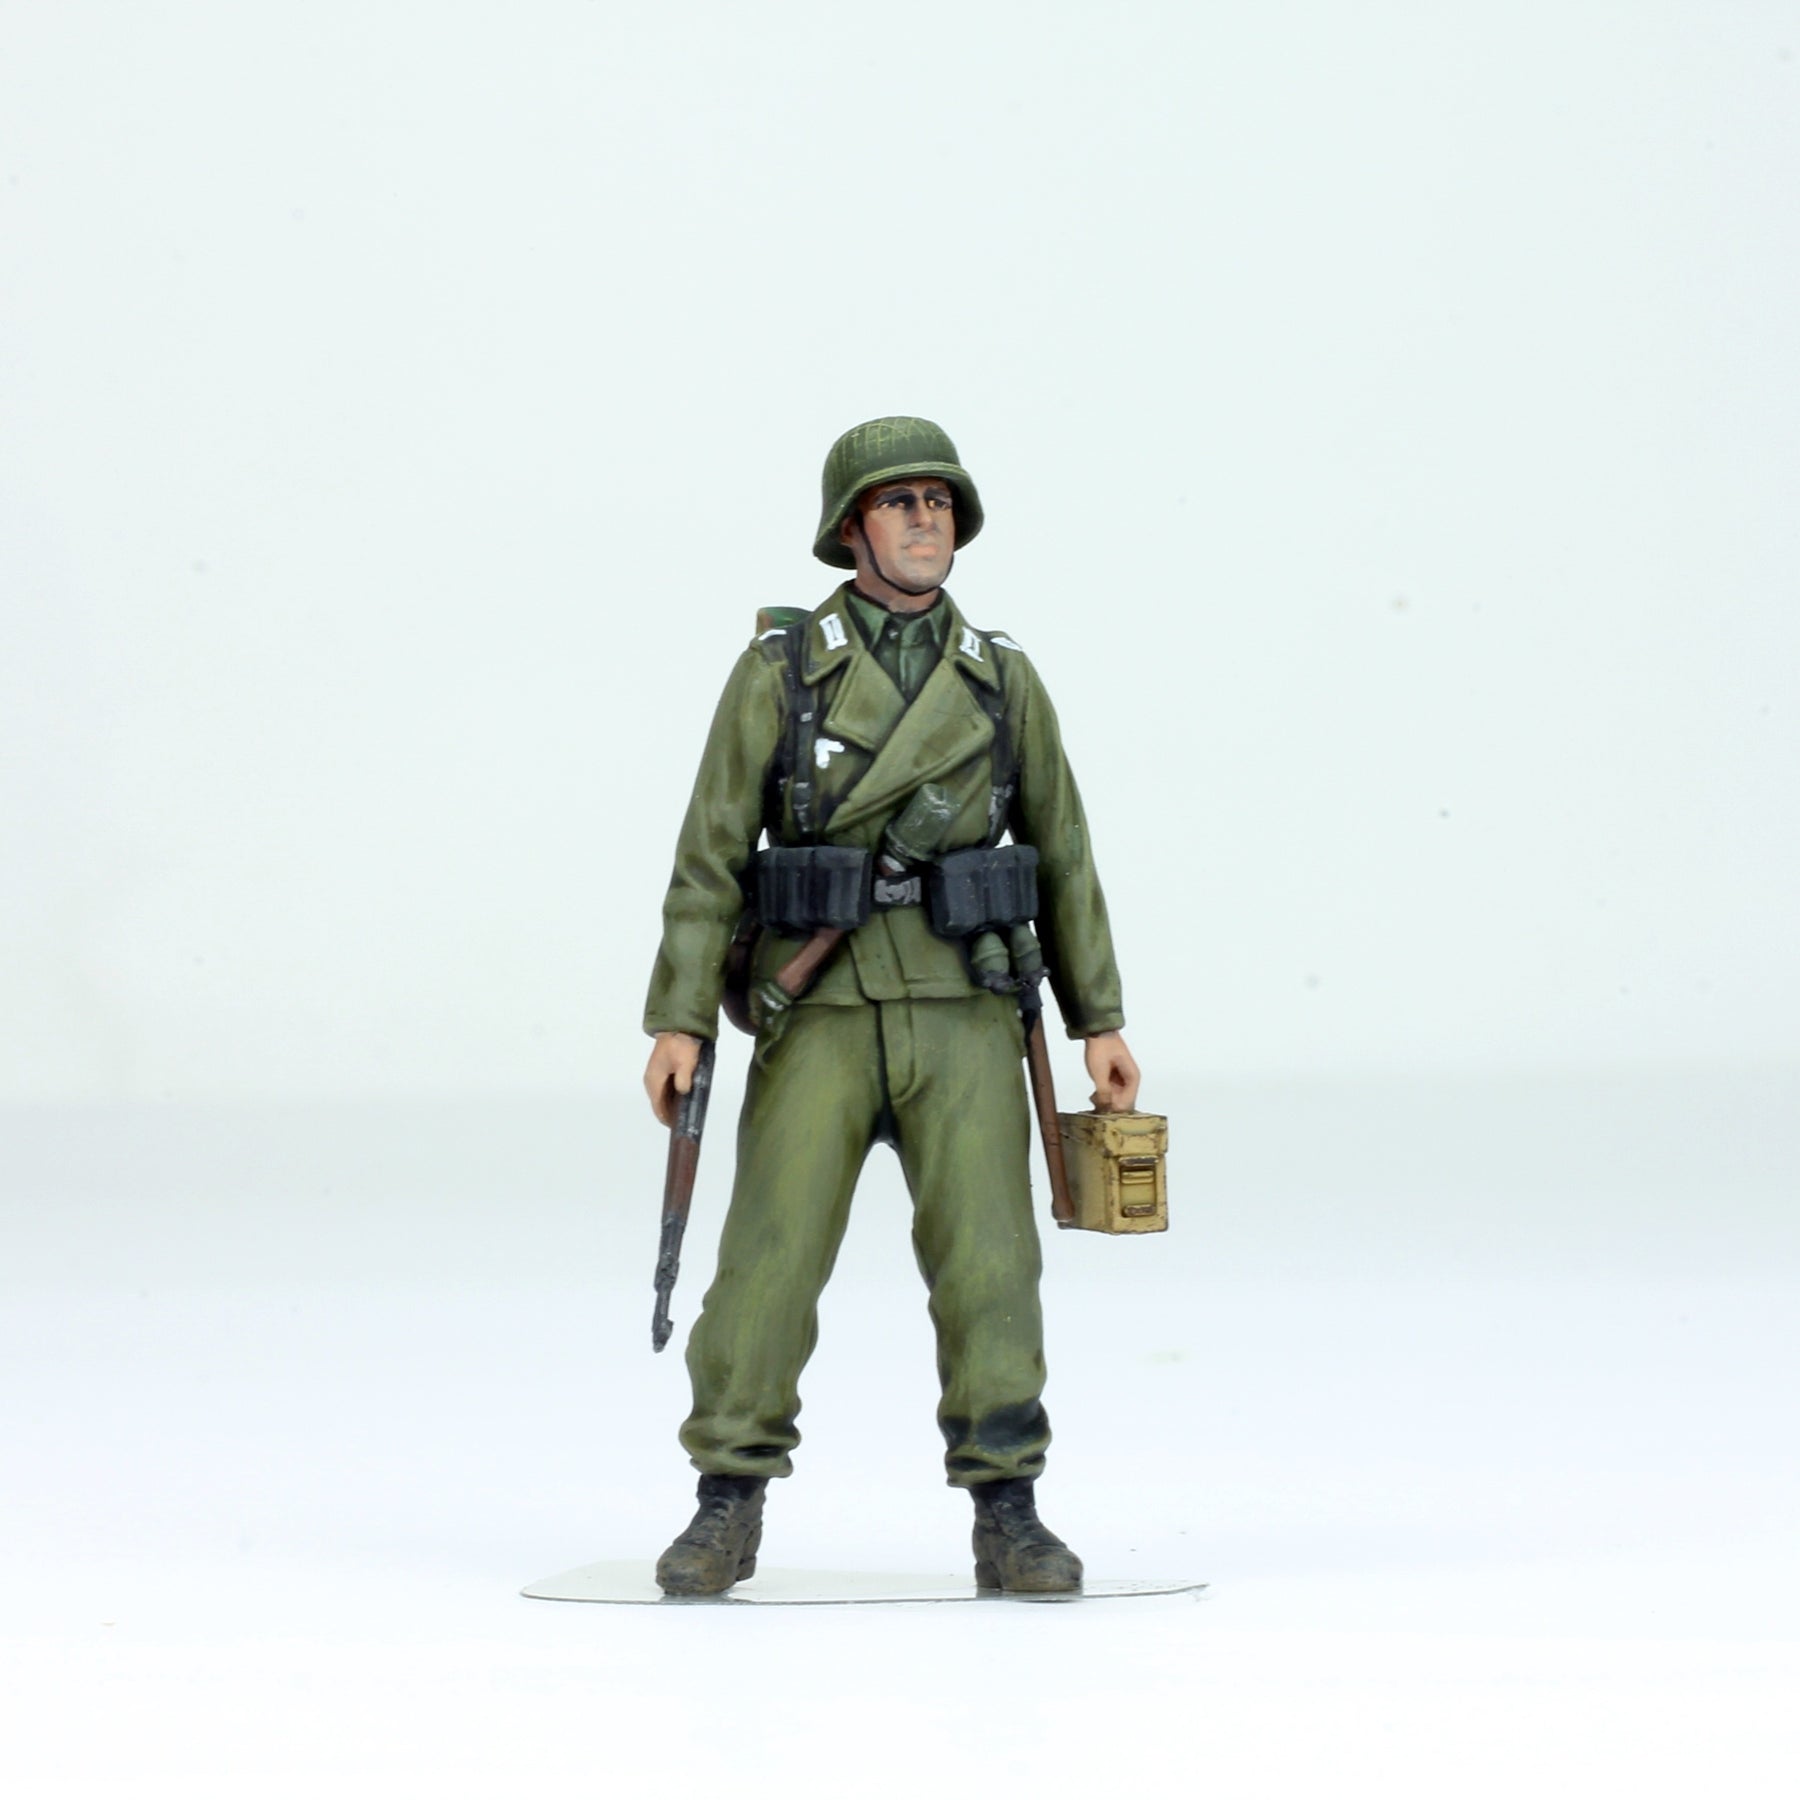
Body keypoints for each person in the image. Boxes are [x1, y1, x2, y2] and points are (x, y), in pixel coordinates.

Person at [641, 416, 1139, 1595]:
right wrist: (680, 1017)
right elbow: (712, 853)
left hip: (964, 1003)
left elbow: (1063, 851)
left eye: (939, 501)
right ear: (850, 529)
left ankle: (1008, 1507)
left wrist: (1099, 1021)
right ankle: (727, 1497)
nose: (924, 520)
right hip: (819, 1003)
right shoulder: (781, 672)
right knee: (768, 1261)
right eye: (897, 501)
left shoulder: (1001, 678)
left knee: (991, 1265)